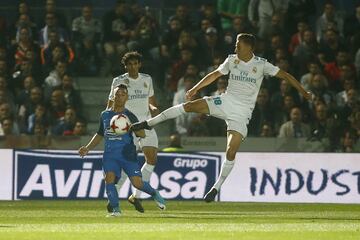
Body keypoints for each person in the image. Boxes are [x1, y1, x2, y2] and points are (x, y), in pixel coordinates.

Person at [131, 33, 313, 202]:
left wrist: (304, 92)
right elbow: (215, 74)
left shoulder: (262, 64)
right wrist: (195, 88)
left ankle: (216, 188)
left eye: (238, 45)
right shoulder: (232, 60)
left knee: (230, 151)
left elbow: (285, 75)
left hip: (242, 113)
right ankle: (148, 123)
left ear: (249, 47)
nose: (235, 48)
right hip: (225, 101)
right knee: (188, 106)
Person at [79, 84, 165, 217]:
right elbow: (100, 134)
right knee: (109, 179)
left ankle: (154, 193)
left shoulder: (130, 116)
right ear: (112, 96)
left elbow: (142, 134)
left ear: (127, 98)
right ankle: (116, 210)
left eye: (123, 95)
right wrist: (87, 148)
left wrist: (130, 127)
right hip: (110, 155)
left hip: (127, 154)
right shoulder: (105, 114)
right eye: (117, 94)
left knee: (137, 183)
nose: (119, 97)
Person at [107, 51, 159, 213]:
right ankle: (114, 195)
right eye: (129, 64)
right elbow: (110, 104)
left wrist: (155, 109)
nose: (133, 66)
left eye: (135, 63)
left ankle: (135, 196)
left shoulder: (147, 79)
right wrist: (110, 121)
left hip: (145, 123)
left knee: (151, 159)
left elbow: (151, 101)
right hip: (127, 126)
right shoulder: (119, 81)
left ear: (139, 64)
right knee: (125, 163)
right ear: (125, 66)